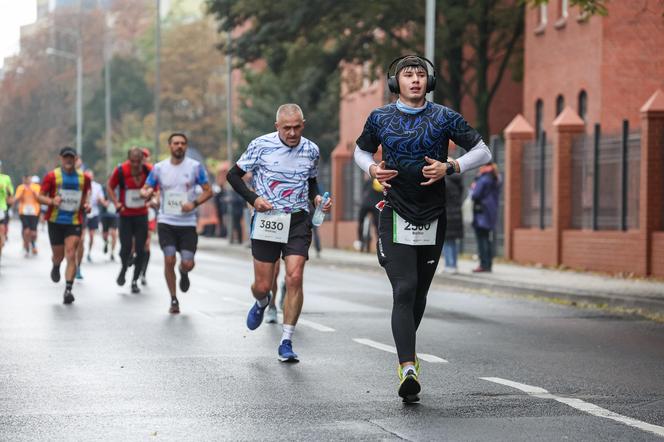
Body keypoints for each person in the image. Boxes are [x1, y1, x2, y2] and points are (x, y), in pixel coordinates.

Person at [353, 55, 491, 402]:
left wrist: (452, 166)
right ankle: (408, 366)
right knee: (405, 287)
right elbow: (359, 150)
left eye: (420, 75)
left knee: (419, 293)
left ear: (427, 83)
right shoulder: (380, 117)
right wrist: (371, 169)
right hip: (394, 211)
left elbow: (483, 151)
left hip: (433, 214)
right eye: (407, 75)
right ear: (395, 83)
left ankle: (405, 348)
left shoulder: (444, 117)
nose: (414, 80)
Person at [227, 103, 332, 362]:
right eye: (287, 128)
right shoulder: (260, 145)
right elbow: (232, 176)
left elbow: (311, 182)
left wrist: (317, 198)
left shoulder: (311, 150)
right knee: (263, 285)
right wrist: (253, 199)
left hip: (297, 220)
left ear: (303, 125)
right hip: (267, 219)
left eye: (297, 127)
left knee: (295, 277)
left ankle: (286, 340)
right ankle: (262, 302)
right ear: (277, 127)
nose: (292, 133)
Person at [142, 133, 212, 313]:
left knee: (188, 263)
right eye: (175, 143)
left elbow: (208, 191)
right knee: (169, 258)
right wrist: (147, 193)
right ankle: (173, 299)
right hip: (166, 221)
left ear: (186, 146)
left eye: (182, 143)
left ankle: (184, 271)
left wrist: (194, 203)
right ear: (170, 146)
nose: (179, 146)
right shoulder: (159, 168)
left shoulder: (195, 167)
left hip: (187, 223)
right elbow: (147, 187)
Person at [38, 147, 91, 304]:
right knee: (59, 255)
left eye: (71, 157)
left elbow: (85, 198)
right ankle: (55, 265)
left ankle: (68, 289)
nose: (68, 160)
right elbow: (40, 197)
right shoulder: (52, 176)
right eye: (65, 157)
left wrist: (86, 206)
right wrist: (52, 201)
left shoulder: (84, 178)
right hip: (55, 221)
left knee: (71, 252)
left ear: (75, 159)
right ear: (60, 158)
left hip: (74, 221)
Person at [108, 147, 154, 294]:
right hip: (125, 215)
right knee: (125, 248)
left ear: (142, 159)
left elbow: (157, 186)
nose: (135, 164)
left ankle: (134, 281)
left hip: (142, 214)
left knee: (141, 250)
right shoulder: (121, 170)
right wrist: (116, 203)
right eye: (132, 161)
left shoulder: (148, 170)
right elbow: (109, 186)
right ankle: (123, 268)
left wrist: (151, 197)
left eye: (138, 161)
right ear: (129, 159)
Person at [471, 163, 501, 273]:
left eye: (481, 166)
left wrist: (474, 186)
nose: (479, 168)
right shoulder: (496, 178)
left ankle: (483, 265)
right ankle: (488, 264)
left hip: (481, 212)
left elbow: (475, 195)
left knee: (481, 239)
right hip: (491, 212)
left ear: (485, 166)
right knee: (487, 239)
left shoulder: (483, 179)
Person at [440, 172, 464, 273]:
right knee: (452, 241)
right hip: (456, 214)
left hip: (447, 214)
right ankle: (453, 264)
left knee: (446, 240)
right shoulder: (457, 182)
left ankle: (449, 265)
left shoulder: (446, 182)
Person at [14, 175, 41, 257]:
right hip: (24, 212)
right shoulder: (20, 187)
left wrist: (33, 191)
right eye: (25, 180)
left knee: (33, 233)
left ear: (30, 180)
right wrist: (23, 191)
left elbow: (40, 197)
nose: (27, 181)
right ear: (23, 180)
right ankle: (26, 248)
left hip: (34, 212)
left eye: (28, 179)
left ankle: (33, 243)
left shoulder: (36, 187)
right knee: (26, 231)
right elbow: (16, 198)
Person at [354, 176, 383, 252]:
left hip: (365, 205)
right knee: (377, 225)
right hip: (375, 206)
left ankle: (360, 240)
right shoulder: (380, 182)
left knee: (361, 222)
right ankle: (380, 244)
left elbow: (363, 193)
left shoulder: (368, 181)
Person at [85, 171, 105, 263]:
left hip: (94, 213)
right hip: (84, 213)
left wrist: (100, 200)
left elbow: (101, 199)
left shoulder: (97, 186)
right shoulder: (82, 185)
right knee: (80, 237)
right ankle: (78, 252)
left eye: (90, 176)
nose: (89, 178)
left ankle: (89, 252)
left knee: (92, 236)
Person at [0, 161, 14, 267]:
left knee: (1, 233)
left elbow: (10, 194)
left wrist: (10, 200)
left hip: (2, 208)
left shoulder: (5, 178)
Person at [99, 186, 119, 261]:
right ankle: (106, 242)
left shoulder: (118, 189)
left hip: (114, 215)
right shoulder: (103, 189)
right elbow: (99, 198)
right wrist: (104, 202)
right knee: (105, 234)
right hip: (105, 215)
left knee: (114, 234)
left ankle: (112, 253)